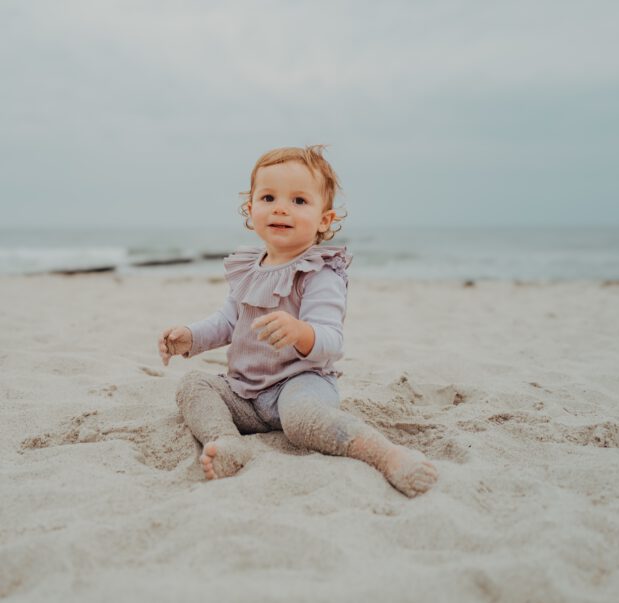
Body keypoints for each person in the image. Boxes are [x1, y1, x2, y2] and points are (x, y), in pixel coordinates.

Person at [158, 145, 437, 498]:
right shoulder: (250, 268)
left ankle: (385, 454)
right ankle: (226, 442)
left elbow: (332, 340)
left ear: (325, 220)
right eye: (269, 197)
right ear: (250, 209)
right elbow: (228, 321)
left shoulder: (319, 273)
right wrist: (191, 337)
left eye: (299, 201)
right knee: (193, 386)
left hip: (299, 384)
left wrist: (302, 332)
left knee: (301, 420)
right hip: (245, 393)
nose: (281, 208)